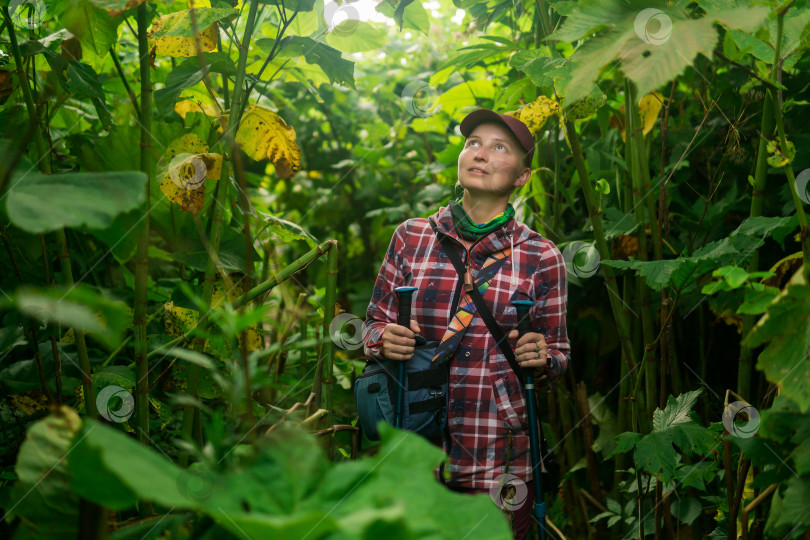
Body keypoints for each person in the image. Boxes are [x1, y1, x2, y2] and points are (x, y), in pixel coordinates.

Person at [361, 109, 570, 539]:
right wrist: (383, 339)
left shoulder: (541, 256)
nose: (481, 154)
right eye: (473, 142)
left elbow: (559, 354)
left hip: (500, 452)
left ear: (522, 177)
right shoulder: (411, 236)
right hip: (416, 443)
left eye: (499, 148)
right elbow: (373, 324)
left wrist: (543, 357)